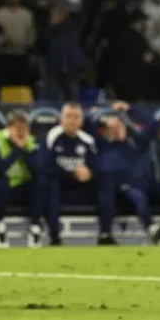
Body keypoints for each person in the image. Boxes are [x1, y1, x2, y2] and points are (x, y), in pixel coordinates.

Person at [89, 101, 160, 246]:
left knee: (137, 195)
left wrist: (131, 110)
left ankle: (151, 228)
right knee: (107, 183)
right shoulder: (101, 145)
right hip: (107, 191)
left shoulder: (136, 143)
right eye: (111, 128)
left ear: (125, 126)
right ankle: (105, 233)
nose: (115, 130)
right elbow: (86, 123)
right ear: (104, 131)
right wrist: (98, 115)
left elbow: (153, 124)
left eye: (119, 125)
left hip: (130, 189)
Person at [0, 109, 44, 248]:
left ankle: (35, 226)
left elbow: (37, 169)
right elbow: (1, 169)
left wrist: (24, 149)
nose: (21, 132)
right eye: (17, 128)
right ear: (8, 128)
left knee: (40, 183)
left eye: (24, 128)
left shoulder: (32, 142)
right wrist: (17, 149)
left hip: (21, 187)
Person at [40, 103, 99, 245]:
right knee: (49, 185)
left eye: (76, 117)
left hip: (81, 188)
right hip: (59, 186)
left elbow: (96, 166)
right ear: (61, 118)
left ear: (81, 121)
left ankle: (105, 233)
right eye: (68, 116)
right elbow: (45, 167)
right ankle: (55, 236)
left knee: (106, 183)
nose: (72, 120)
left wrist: (89, 174)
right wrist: (71, 174)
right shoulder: (51, 137)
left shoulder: (88, 140)